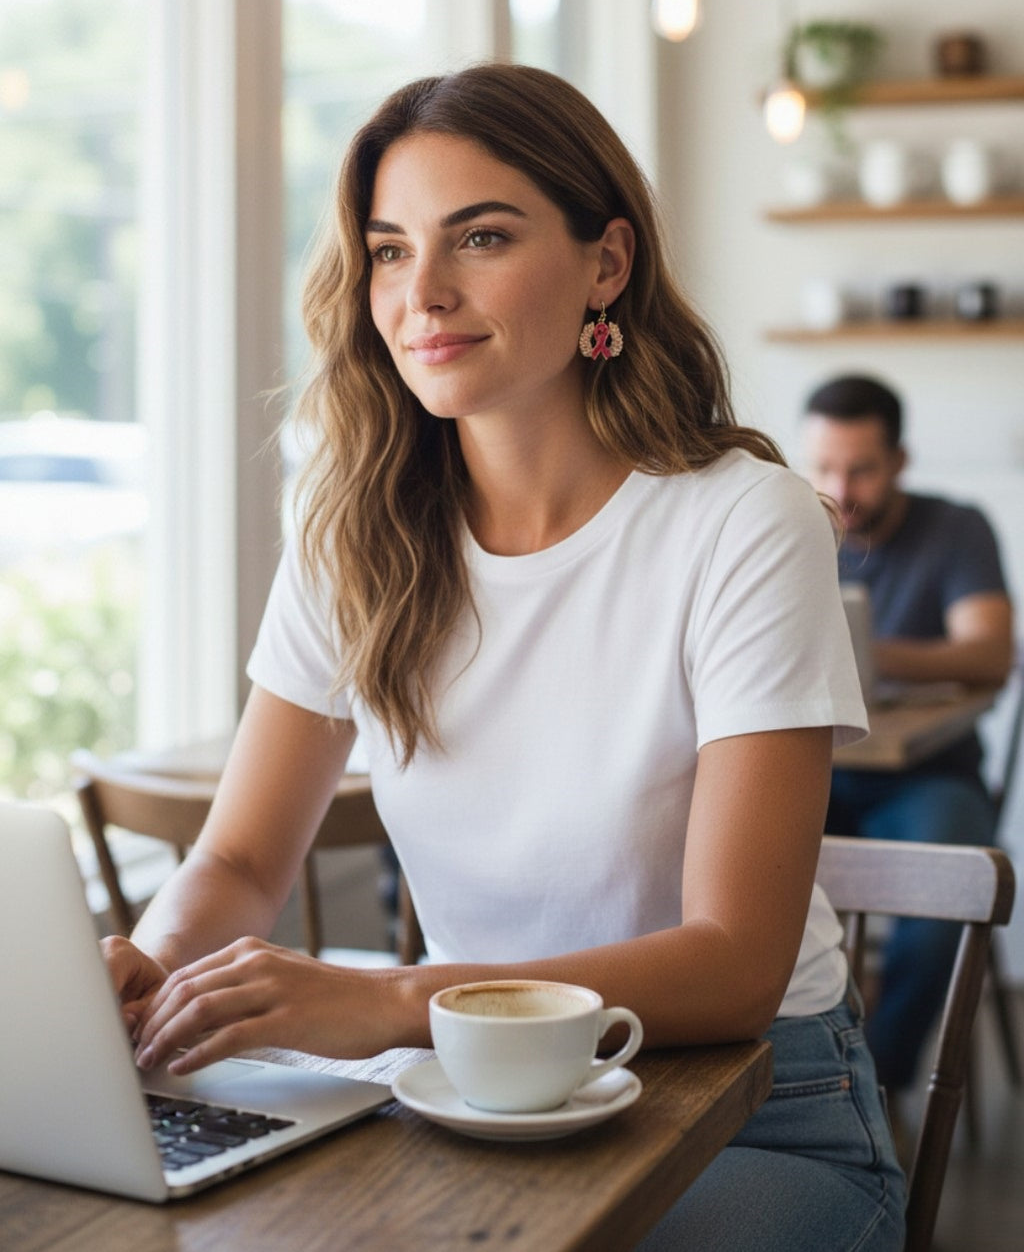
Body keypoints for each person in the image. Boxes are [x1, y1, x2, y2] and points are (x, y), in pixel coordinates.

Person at [103, 65, 904, 1250]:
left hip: (749, 1106)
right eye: (386, 249)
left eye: (478, 236)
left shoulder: (745, 518)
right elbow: (235, 854)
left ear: (606, 263)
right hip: (459, 1089)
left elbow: (734, 963)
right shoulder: (355, 531)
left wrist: (385, 1000)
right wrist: (151, 980)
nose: (420, 289)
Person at [802, 373, 1014, 1101]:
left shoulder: (956, 528)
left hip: (930, 773)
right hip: (813, 772)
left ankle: (872, 1083)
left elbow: (990, 651)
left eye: (860, 467)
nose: (840, 487)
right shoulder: (795, 528)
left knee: (948, 894)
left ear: (899, 460)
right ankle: (796, 1075)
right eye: (824, 466)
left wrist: (865, 651)